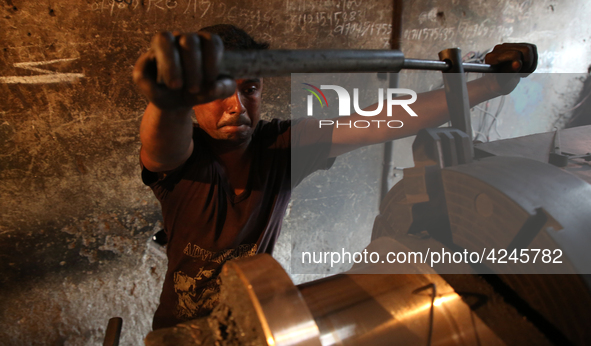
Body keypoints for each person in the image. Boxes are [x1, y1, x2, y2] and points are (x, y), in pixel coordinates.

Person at [132, 24, 537, 330]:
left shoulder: (281, 146)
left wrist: (485, 86)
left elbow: (383, 121)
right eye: (215, 92)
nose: (236, 106)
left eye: (249, 89)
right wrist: (166, 101)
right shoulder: (186, 163)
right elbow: (161, 144)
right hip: (178, 331)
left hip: (251, 322)